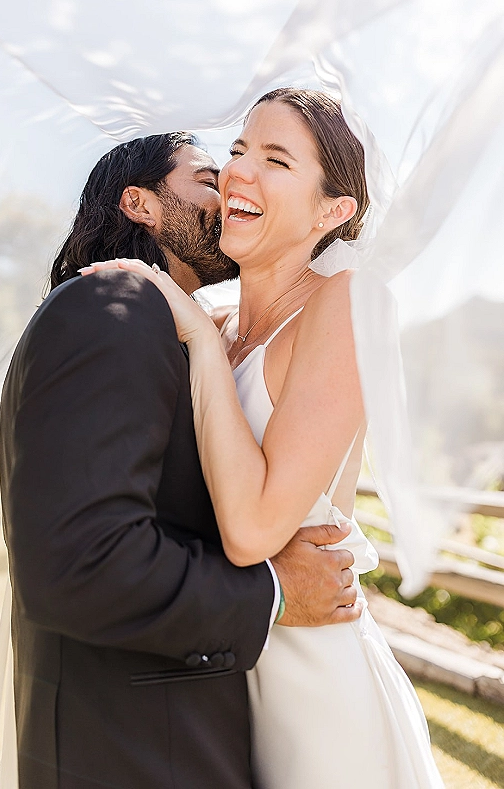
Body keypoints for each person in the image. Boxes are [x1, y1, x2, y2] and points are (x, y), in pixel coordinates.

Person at [90, 91, 445, 787]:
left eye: (276, 159)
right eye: (239, 151)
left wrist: (188, 326)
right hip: (220, 687)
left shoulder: (345, 304)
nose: (237, 175)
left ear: (332, 211)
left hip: (317, 697)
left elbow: (251, 530)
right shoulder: (217, 331)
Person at [0, 130, 363, 789]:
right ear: (139, 203)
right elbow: (81, 564)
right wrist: (277, 593)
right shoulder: (114, 306)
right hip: (135, 752)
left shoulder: (180, 331)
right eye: (204, 178)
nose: (226, 188)